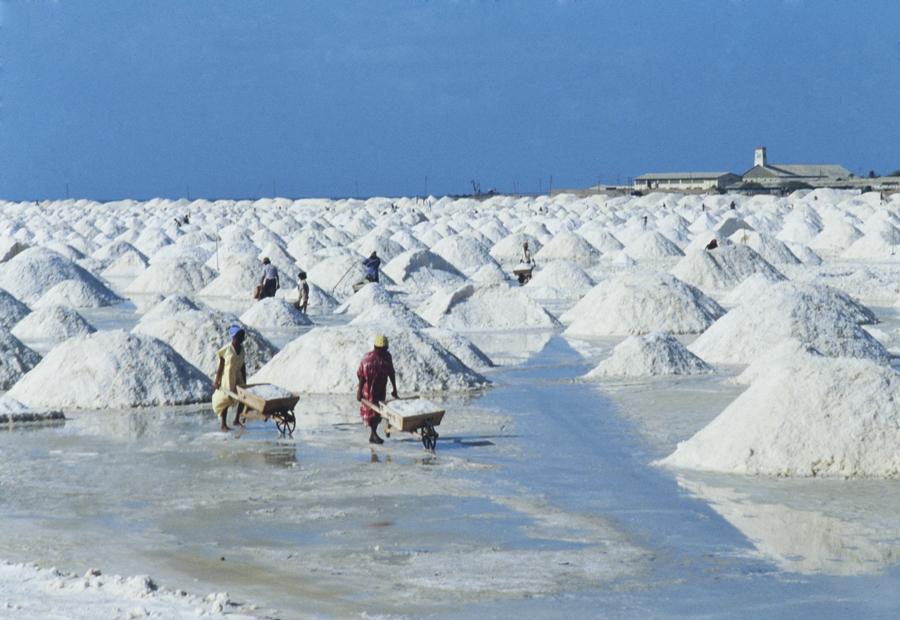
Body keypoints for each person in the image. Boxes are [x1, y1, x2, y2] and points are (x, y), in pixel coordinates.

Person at [356, 334, 398, 444]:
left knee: (380, 410)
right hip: (369, 388)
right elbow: (361, 376)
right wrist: (359, 391)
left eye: (386, 349)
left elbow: (391, 372)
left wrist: (394, 389)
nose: (385, 351)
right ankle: (373, 435)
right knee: (371, 412)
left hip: (381, 387)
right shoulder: (368, 360)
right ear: (376, 348)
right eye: (382, 349)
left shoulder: (387, 357)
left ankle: (375, 434)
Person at [212, 324, 247, 432]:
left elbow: (242, 365)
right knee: (226, 399)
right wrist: (217, 380)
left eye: (242, 336)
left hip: (237, 376)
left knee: (243, 397)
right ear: (233, 337)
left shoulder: (242, 350)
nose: (241, 338)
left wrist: (245, 380)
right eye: (238, 336)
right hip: (227, 377)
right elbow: (221, 366)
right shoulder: (227, 350)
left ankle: (236, 420)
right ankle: (223, 424)